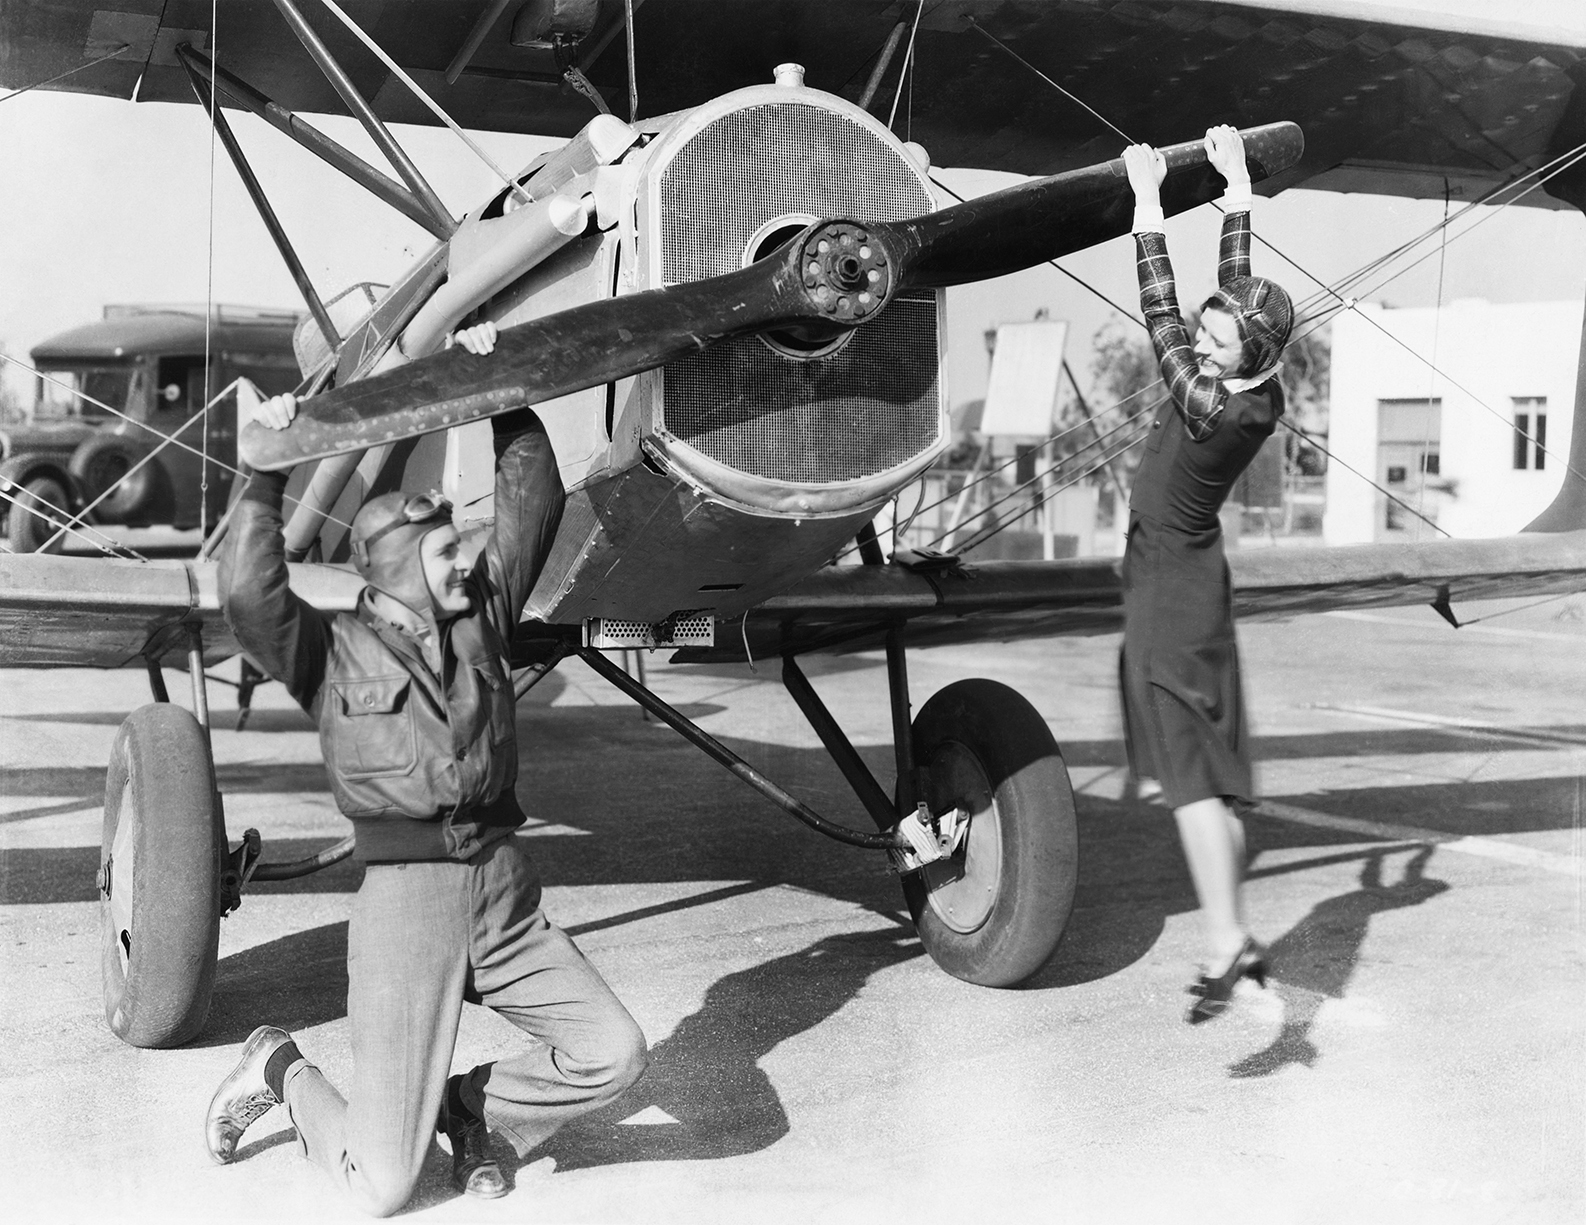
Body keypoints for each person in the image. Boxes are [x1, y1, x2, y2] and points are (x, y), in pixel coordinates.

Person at [204, 321, 647, 1214]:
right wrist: (263, 469)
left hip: (504, 890)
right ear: (394, 571)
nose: (466, 562)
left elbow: (534, 497)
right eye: (446, 555)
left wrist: (499, 386)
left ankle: (470, 1107)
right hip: (408, 902)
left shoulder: (482, 614)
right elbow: (252, 594)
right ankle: (281, 1067)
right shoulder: (330, 653)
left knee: (613, 1050)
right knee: (383, 1185)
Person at [1118, 126, 1294, 1024]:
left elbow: (1160, 318)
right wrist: (1235, 192)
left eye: (1218, 343)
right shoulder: (1258, 376)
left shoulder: (1215, 404)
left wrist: (1146, 205)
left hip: (1169, 589)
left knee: (1188, 779)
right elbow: (1234, 303)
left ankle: (1227, 941)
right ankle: (1242, 941)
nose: (1204, 341)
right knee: (1207, 781)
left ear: (1244, 361)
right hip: (1191, 574)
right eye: (1207, 335)